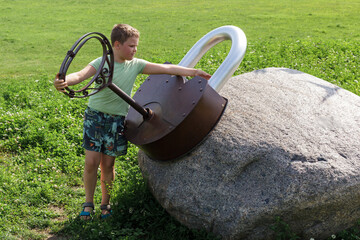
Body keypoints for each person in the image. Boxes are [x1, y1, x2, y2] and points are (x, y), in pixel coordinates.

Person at [53, 23, 211, 220]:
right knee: (91, 162)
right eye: (131, 46)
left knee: (108, 166)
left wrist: (193, 72)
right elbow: (79, 75)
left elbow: (165, 68)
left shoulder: (135, 64)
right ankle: (88, 202)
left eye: (136, 46)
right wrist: (64, 81)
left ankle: (105, 203)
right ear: (117, 45)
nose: (135, 50)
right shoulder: (102, 62)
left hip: (117, 120)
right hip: (96, 117)